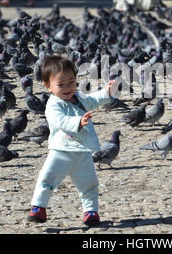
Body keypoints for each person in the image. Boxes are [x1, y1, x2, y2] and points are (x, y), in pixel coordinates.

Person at [27, 55, 116, 226]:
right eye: (61, 85)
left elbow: (93, 100)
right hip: (61, 151)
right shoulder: (53, 104)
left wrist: (106, 92)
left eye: (71, 82)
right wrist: (78, 123)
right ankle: (39, 208)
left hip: (82, 152)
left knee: (89, 184)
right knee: (46, 178)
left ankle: (91, 212)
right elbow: (58, 120)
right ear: (48, 86)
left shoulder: (80, 97)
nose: (68, 88)